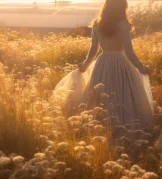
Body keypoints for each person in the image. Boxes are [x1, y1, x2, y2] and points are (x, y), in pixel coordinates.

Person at [52, 0, 154, 129]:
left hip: (103, 63)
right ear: (122, 7)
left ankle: (99, 125)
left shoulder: (98, 24)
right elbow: (129, 52)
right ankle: (123, 126)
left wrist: (85, 65)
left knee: (100, 94)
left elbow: (93, 49)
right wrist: (142, 68)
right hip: (121, 63)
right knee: (122, 95)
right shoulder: (124, 25)